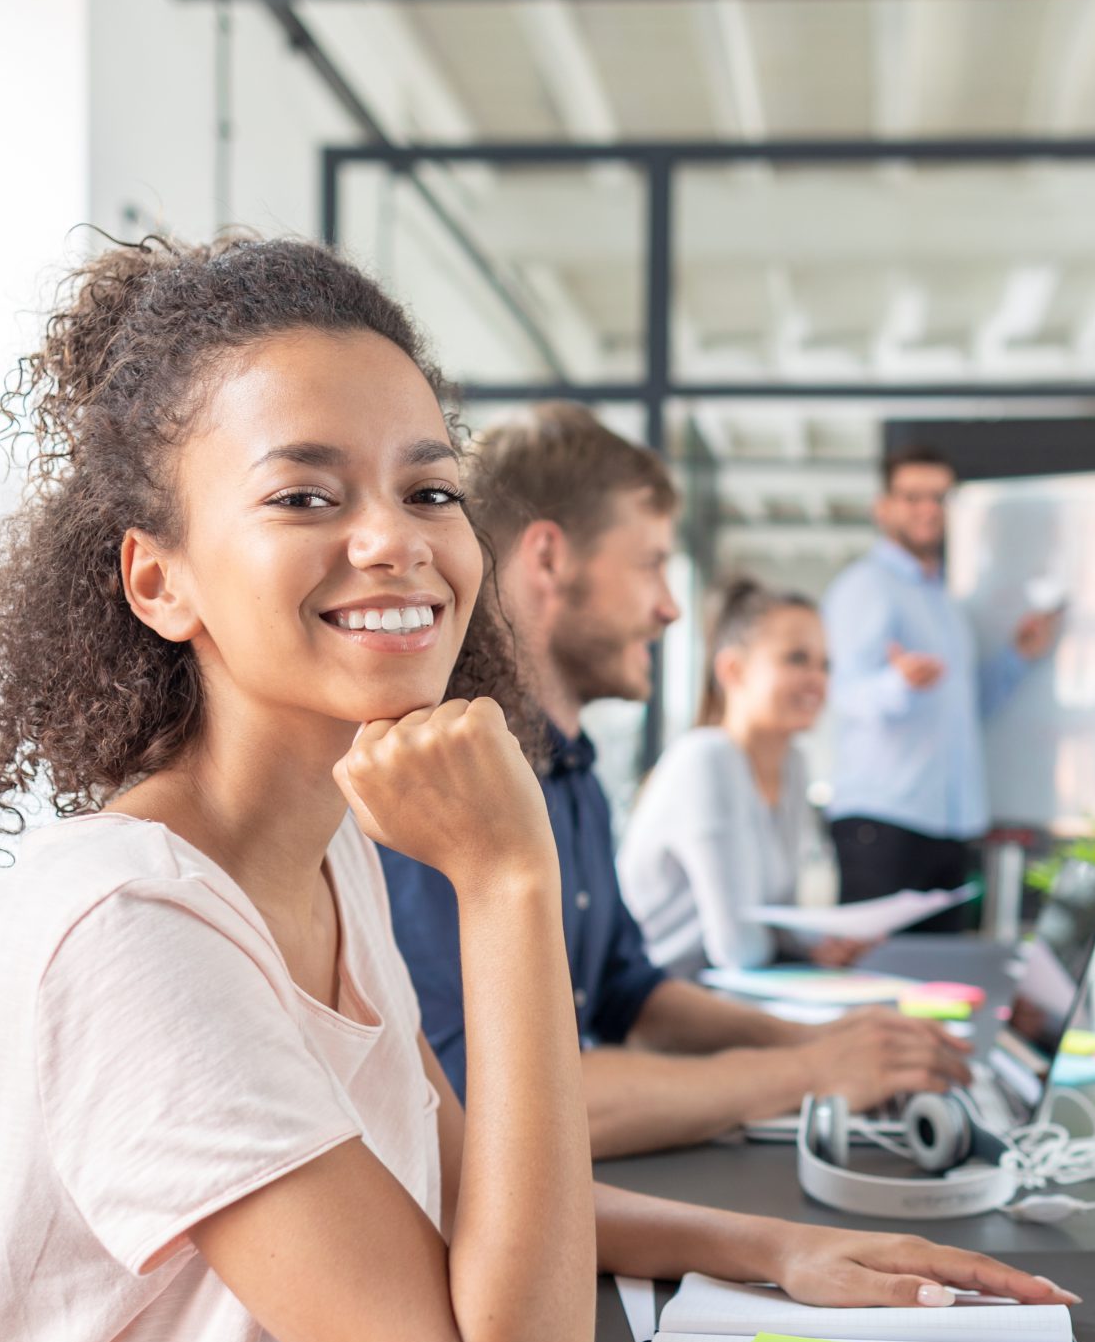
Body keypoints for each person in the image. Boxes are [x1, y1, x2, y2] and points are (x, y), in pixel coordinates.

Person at [0, 237, 1074, 1342]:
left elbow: (475, 1184)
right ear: (161, 582)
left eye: (428, 487)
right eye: (304, 494)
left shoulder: (326, 847)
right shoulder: (132, 931)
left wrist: (773, 1247)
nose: (396, 538)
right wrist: (508, 880)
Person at [382, 404, 970, 1159]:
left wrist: (824, 1042)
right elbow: (485, 1104)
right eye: (652, 562)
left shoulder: (573, 769)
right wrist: (803, 1068)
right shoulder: (443, 786)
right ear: (550, 559)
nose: (671, 605)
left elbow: (630, 993)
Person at [822, 444, 1061, 927]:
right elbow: (844, 693)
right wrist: (898, 682)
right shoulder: (865, 587)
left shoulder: (946, 607)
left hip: (947, 827)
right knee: (879, 982)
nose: (928, 509)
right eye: (912, 497)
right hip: (885, 823)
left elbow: (965, 707)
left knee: (939, 986)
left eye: (939, 497)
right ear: (883, 506)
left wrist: (1018, 657)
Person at [619, 576, 864, 978]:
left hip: (725, 992)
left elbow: (776, 921)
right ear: (733, 669)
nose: (817, 680)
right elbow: (738, 948)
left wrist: (821, 949)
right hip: (660, 1004)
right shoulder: (707, 760)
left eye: (825, 664)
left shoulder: (794, 764)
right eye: (797, 659)